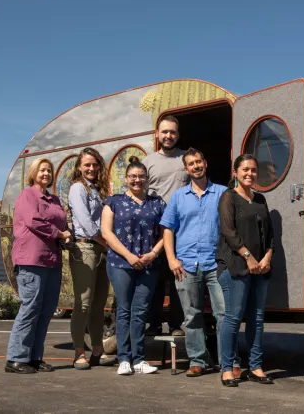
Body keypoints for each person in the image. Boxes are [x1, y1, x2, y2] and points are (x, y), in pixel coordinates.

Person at [161, 147, 241, 378]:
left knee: (224, 314)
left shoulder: (223, 193)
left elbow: (232, 227)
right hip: (186, 264)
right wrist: (171, 260)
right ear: (186, 169)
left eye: (199, 162)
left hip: (217, 263)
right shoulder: (178, 197)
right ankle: (198, 360)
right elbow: (168, 229)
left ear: (205, 164)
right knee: (192, 315)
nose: (196, 166)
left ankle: (231, 361)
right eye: (191, 164)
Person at [101, 156, 166, 375]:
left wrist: (153, 253)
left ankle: (139, 359)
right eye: (133, 177)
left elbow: (166, 233)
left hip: (149, 264)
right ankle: (123, 359)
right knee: (124, 310)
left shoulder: (157, 204)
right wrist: (129, 256)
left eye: (141, 177)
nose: (137, 180)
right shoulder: (113, 201)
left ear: (147, 179)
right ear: (126, 178)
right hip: (120, 263)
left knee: (140, 312)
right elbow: (106, 233)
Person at [5, 158, 71, 374]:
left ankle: (34, 357)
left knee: (46, 310)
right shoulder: (28, 195)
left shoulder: (54, 199)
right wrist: (59, 233)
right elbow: (34, 220)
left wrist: (66, 234)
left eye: (49, 170)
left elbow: (61, 221)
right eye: (42, 170)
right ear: (33, 173)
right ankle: (15, 358)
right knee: (30, 308)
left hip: (52, 260)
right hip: (31, 259)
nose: (46, 173)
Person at [216, 154, 275, 387]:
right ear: (235, 173)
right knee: (233, 317)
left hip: (261, 268)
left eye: (253, 170)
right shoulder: (228, 197)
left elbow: (270, 235)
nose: (250, 174)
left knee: (257, 319)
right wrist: (249, 257)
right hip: (235, 265)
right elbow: (228, 231)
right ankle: (227, 368)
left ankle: (256, 366)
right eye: (245, 170)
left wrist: (268, 257)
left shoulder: (260, 199)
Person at [68, 147, 116, 370]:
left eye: (95, 164)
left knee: (98, 305)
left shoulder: (96, 190)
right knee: (84, 303)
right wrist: (108, 243)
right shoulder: (78, 188)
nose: (91, 168)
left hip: (101, 250)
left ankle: (97, 349)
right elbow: (86, 224)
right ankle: (79, 352)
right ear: (79, 166)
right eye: (87, 164)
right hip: (86, 249)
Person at [141, 115, 187, 336]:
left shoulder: (186, 159)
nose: (168, 136)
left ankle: (177, 324)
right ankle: (155, 322)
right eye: (165, 132)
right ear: (157, 134)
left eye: (173, 132)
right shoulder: (148, 161)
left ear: (178, 135)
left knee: (178, 275)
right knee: (155, 277)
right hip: (155, 229)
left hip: (182, 228)